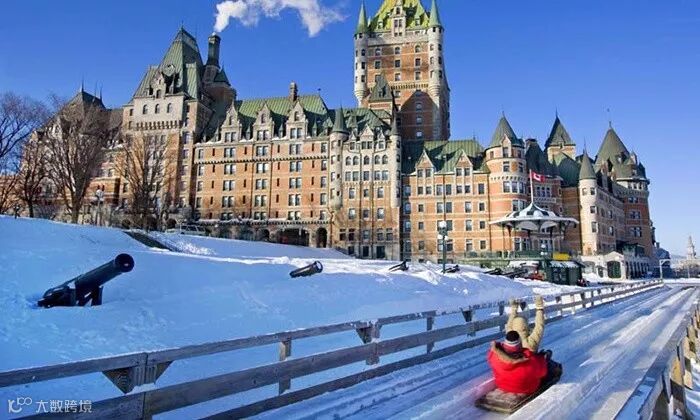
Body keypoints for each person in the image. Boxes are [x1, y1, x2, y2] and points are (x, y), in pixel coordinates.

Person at [487, 330, 549, 395]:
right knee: (546, 370)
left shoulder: (493, 354)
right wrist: (541, 358)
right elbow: (543, 373)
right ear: (520, 344)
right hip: (526, 389)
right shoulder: (530, 360)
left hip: (502, 386)